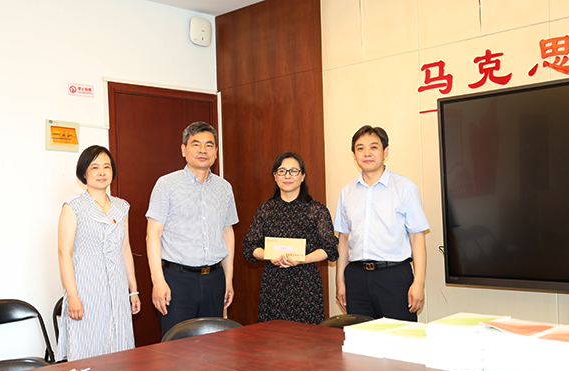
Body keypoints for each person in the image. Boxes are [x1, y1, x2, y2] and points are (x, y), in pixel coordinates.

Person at [146, 121, 238, 337]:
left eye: (209, 145)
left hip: (215, 279)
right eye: (196, 144)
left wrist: (228, 279)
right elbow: (153, 235)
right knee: (176, 347)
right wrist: (158, 281)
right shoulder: (166, 185)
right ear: (183, 149)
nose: (202, 150)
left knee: (214, 345)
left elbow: (227, 233)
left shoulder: (224, 188)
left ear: (216, 151)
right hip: (176, 281)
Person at [334, 125, 429, 322]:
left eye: (373, 147)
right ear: (354, 155)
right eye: (360, 148)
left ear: (385, 152)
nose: (366, 153)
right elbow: (343, 239)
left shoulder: (405, 188)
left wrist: (419, 282)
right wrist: (340, 281)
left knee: (400, 337)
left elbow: (417, 237)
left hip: (394, 276)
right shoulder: (347, 191)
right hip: (356, 278)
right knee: (360, 337)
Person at [57, 145, 141, 361]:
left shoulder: (122, 207)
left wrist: (133, 290)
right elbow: (64, 254)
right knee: (87, 347)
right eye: (95, 167)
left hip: (117, 288)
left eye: (106, 166)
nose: (102, 172)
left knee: (120, 346)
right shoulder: (73, 206)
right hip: (87, 288)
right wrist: (73, 297)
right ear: (84, 172)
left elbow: (125, 249)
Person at [243, 152, 338, 324]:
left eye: (294, 171)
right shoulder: (265, 210)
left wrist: (303, 259)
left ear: (302, 176)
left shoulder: (316, 210)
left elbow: (330, 249)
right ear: (275, 176)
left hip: (306, 284)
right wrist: (269, 255)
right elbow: (250, 247)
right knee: (272, 335)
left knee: (306, 336)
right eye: (282, 171)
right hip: (273, 285)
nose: (287, 176)